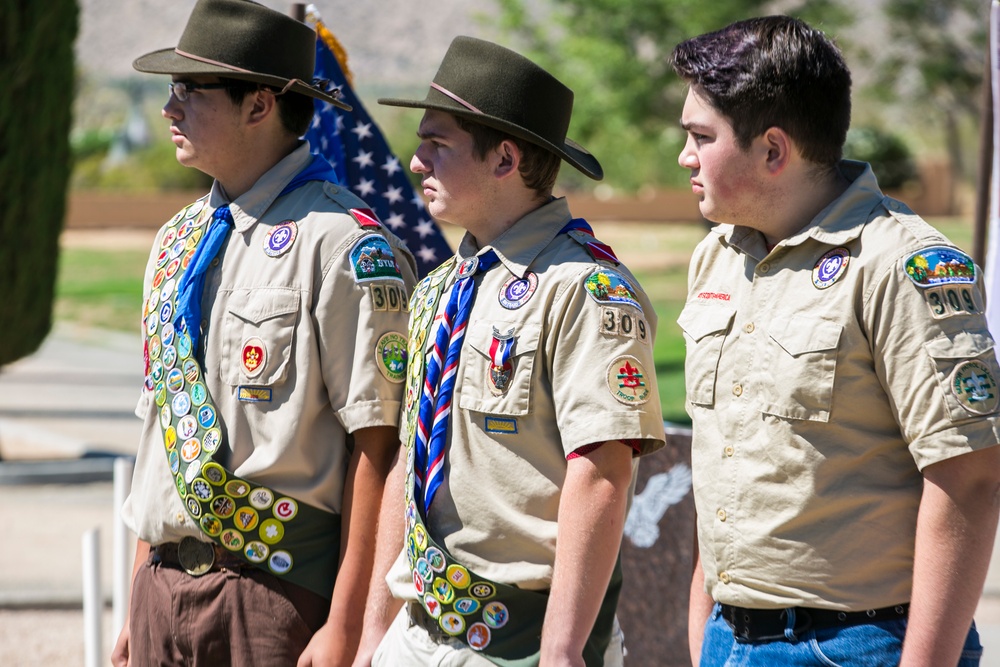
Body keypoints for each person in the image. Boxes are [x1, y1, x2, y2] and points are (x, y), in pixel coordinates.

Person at [672, 15, 1000, 667]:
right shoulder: (716, 257)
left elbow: (969, 479)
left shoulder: (903, 266)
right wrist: (705, 628)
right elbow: (732, 458)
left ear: (772, 150)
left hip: (863, 645)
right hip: (729, 636)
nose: (684, 157)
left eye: (700, 137)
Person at [111, 1, 416, 665]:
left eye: (192, 91)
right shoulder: (175, 243)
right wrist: (139, 588)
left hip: (273, 596)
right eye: (171, 89)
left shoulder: (343, 245)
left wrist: (349, 621)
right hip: (162, 588)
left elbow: (379, 444)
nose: (170, 108)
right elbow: (165, 427)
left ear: (260, 106)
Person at [347, 36, 666, 667]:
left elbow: (601, 472)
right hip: (416, 632)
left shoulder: (585, 289)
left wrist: (563, 649)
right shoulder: (441, 287)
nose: (416, 162)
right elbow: (412, 462)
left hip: (521, 644)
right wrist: (373, 638)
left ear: (505, 159)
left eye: (437, 144)